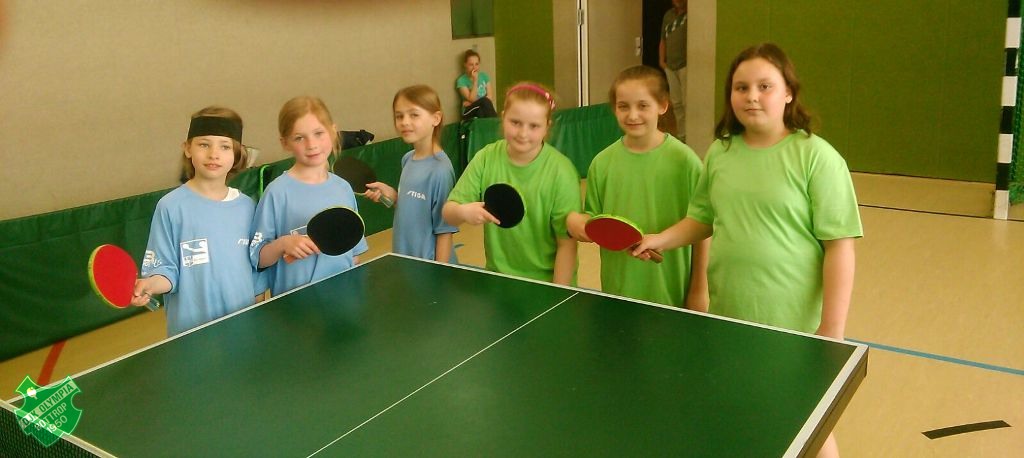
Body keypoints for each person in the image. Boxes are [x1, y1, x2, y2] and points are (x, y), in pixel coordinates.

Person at [633, 43, 860, 457]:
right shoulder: (721, 152)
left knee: (808, 421)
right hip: (732, 315)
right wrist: (659, 239)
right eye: (741, 87)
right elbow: (702, 218)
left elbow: (840, 247)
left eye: (764, 86)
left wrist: (832, 330)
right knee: (746, 413)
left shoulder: (817, 157)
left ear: (789, 92)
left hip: (792, 324)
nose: (751, 95)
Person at [567, 65, 708, 309]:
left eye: (643, 106)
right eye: (624, 106)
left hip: (671, 293)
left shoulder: (687, 162)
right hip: (618, 290)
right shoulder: (601, 164)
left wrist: (698, 290)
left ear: (663, 106)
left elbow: (703, 229)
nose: (632, 115)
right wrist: (575, 223)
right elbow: (595, 221)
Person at [133, 106, 264, 336]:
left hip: (243, 328)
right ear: (187, 149)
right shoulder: (170, 207)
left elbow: (256, 271)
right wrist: (150, 285)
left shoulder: (247, 207)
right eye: (204, 144)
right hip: (190, 333)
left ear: (236, 154)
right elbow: (165, 270)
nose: (214, 154)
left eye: (224, 146)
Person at [443, 82, 580, 285]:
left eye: (534, 126)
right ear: (503, 116)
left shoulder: (562, 172)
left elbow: (566, 244)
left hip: (545, 285)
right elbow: (448, 214)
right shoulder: (486, 158)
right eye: (515, 122)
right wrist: (463, 212)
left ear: (547, 127)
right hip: (498, 281)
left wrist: (557, 294)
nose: (523, 133)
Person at [250, 96, 369, 296]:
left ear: (333, 132)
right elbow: (258, 258)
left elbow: (354, 255)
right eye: (299, 137)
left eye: (319, 133)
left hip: (342, 298)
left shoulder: (343, 188)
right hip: (296, 307)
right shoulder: (276, 193)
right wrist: (283, 244)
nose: (312, 144)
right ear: (285, 143)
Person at [364, 85, 459, 263]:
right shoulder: (407, 159)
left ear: (435, 118)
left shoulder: (440, 171)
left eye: (414, 115)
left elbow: (444, 231)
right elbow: (414, 206)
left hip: (430, 267)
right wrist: (391, 195)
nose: (405, 122)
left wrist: (440, 273)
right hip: (405, 259)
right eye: (399, 116)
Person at [659, 0, 688, 140]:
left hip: (686, 66)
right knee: (676, 103)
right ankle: (682, 135)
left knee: (687, 102)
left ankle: (690, 134)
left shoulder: (691, 16)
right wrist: (661, 60)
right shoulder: (668, 16)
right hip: (670, 66)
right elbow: (663, 39)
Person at [456, 49, 497, 120]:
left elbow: (490, 97)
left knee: (481, 111)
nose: (474, 67)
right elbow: (472, 99)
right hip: (468, 111)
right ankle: (497, 123)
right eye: (471, 65)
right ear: (465, 65)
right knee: (484, 101)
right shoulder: (461, 80)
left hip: (481, 108)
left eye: (476, 64)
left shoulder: (484, 76)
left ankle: (493, 126)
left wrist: (474, 102)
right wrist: (475, 81)